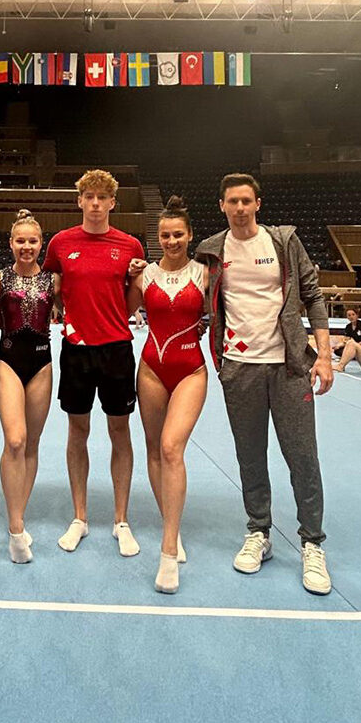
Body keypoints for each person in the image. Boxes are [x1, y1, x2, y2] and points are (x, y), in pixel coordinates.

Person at [195, 173, 333, 596]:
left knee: (302, 457)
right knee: (250, 458)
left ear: (258, 203)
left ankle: (312, 543)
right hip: (240, 368)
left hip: (289, 367)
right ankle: (259, 531)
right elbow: (188, 289)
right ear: (221, 206)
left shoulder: (283, 242)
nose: (239, 208)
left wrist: (323, 355)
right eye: (232, 201)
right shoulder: (211, 251)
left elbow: (313, 296)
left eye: (246, 201)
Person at [43, 169, 144, 556]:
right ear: (80, 201)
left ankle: (121, 520)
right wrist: (70, 316)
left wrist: (112, 318)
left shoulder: (130, 245)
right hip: (76, 349)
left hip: (117, 348)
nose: (96, 203)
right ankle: (80, 517)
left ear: (113, 202)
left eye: (103, 197)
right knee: (77, 430)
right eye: (90, 197)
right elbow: (52, 290)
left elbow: (133, 296)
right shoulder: (61, 243)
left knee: (120, 431)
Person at [127, 196, 207, 593]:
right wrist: (126, 275)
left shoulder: (205, 273)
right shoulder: (145, 274)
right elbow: (118, 310)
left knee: (172, 447)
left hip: (191, 369)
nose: (171, 241)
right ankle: (169, 522)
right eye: (164, 235)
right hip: (151, 369)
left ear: (190, 235)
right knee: (154, 449)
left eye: (178, 234)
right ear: (156, 238)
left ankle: (169, 548)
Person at [0, 209, 59, 563]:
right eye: (20, 241)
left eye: (33, 241)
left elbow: (85, 299)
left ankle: (19, 514)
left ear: (42, 244)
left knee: (31, 445)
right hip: (8, 361)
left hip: (42, 363)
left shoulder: (55, 281)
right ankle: (15, 528)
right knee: (15, 440)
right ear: (10, 243)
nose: (27, 246)